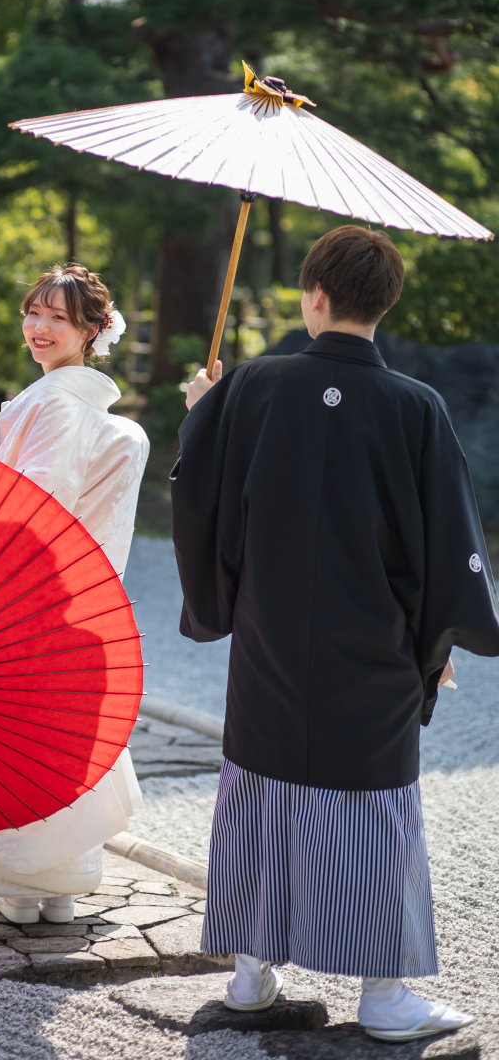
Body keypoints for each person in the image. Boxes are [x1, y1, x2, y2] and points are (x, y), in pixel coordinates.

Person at [170, 225, 499, 1043]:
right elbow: (447, 545)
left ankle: (251, 976)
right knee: (377, 811)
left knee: (258, 792)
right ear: (384, 305)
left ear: (313, 296)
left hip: (270, 640)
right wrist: (437, 646)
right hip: (373, 648)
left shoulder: (251, 386)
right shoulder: (416, 406)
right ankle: (385, 997)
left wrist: (200, 418)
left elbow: (201, 497)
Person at [0, 264, 149, 925]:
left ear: (91, 330)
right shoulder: (72, 399)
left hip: (22, 581)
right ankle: (61, 879)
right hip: (56, 586)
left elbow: (38, 498)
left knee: (13, 728)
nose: (38, 326)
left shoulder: (57, 401)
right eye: (33, 311)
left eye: (57, 317)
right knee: (55, 729)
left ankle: (24, 880)